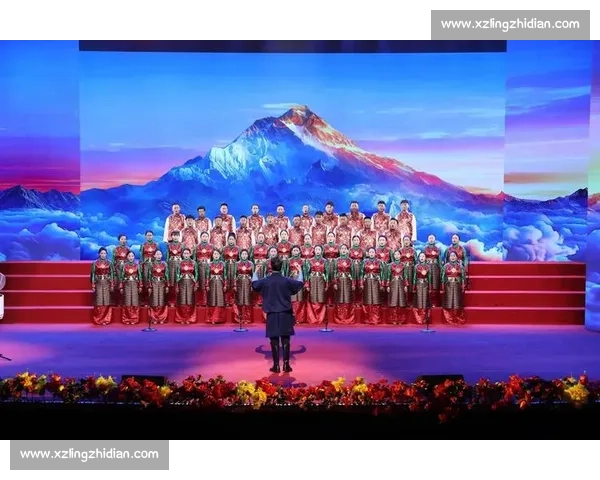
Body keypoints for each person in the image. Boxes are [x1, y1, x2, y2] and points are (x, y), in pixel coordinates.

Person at [252, 255, 304, 374]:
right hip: (285, 313)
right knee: (286, 340)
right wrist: (300, 270)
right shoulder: (286, 280)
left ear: (271, 266)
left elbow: (254, 284)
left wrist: (255, 271)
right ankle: (286, 365)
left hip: (272, 314)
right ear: (281, 266)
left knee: (274, 340)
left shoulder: (266, 281)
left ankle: (276, 365)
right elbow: (300, 283)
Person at [360, 247, 386, 325]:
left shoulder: (379, 262)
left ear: (375, 253)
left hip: (376, 282)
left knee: (376, 299)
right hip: (367, 282)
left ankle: (375, 319)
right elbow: (361, 273)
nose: (371, 254)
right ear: (368, 253)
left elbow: (382, 273)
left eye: (373, 252)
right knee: (367, 299)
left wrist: (382, 284)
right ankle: (367, 319)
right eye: (370, 252)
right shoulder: (364, 261)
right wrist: (361, 283)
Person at [441, 251, 467, 326]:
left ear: (457, 257)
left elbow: (463, 277)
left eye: (454, 256)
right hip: (448, 286)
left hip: (457, 285)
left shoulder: (460, 266)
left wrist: (463, 286)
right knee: (448, 302)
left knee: (457, 302)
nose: (452, 257)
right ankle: (448, 319)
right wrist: (443, 286)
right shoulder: (445, 266)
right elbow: (442, 277)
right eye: (451, 256)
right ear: (449, 257)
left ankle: (457, 319)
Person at [332, 244, 356, 325]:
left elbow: (353, 273)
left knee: (347, 298)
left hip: (348, 281)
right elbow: (334, 272)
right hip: (339, 281)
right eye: (342, 248)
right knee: (339, 299)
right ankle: (339, 318)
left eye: (345, 248)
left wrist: (353, 284)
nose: (343, 250)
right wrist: (335, 283)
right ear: (339, 250)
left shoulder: (350, 261)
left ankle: (348, 318)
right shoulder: (336, 260)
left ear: (347, 250)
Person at [91, 247, 114, 325]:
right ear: (99, 254)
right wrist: (93, 285)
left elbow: (112, 274)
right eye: (101, 253)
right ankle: (98, 319)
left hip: (107, 283)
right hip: (98, 283)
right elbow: (93, 274)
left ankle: (106, 319)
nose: (103, 255)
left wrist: (112, 284)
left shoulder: (109, 263)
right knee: (99, 301)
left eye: (104, 253)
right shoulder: (95, 263)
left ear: (106, 254)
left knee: (106, 300)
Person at [305, 245, 328, 324]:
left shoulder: (325, 261)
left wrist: (326, 285)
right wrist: (307, 284)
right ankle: (313, 318)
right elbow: (307, 273)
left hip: (321, 280)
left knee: (321, 298)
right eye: (316, 249)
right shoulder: (310, 260)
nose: (318, 251)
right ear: (314, 251)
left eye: (319, 249)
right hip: (312, 280)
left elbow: (327, 273)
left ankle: (321, 318)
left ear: (321, 251)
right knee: (313, 298)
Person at [174, 248, 198, 324]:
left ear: (190, 254)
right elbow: (177, 274)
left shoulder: (194, 263)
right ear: (182, 254)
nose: (186, 255)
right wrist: (177, 285)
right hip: (182, 282)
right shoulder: (179, 263)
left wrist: (195, 283)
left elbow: (196, 274)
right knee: (182, 300)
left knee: (190, 300)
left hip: (191, 282)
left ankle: (190, 318)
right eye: (185, 253)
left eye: (187, 253)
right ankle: (182, 318)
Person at [119, 250, 143, 325]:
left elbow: (140, 276)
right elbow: (121, 277)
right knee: (128, 301)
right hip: (127, 285)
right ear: (127, 257)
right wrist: (121, 286)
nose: (131, 257)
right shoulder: (124, 266)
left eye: (132, 256)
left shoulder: (137, 265)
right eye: (129, 256)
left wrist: (140, 286)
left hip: (135, 284)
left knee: (135, 302)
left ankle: (134, 319)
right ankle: (127, 319)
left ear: (134, 257)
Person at [386, 250, 409, 325]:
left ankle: (401, 320)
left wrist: (406, 285)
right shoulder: (390, 265)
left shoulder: (403, 265)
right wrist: (388, 285)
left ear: (400, 255)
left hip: (401, 284)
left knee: (401, 301)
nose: (396, 256)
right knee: (393, 301)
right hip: (393, 284)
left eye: (398, 254)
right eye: (395, 254)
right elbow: (388, 276)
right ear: (393, 256)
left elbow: (405, 276)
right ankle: (393, 319)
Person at [205, 250, 228, 324]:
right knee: (212, 299)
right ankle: (212, 318)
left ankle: (219, 318)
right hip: (212, 282)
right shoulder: (209, 264)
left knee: (219, 300)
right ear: (212, 255)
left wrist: (225, 285)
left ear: (220, 255)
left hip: (220, 282)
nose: (216, 255)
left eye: (217, 254)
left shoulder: (223, 264)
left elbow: (225, 275)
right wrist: (207, 285)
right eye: (215, 254)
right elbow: (207, 275)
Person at [147, 249, 169, 324]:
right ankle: (154, 318)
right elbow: (149, 276)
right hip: (154, 283)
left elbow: (167, 275)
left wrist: (167, 285)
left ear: (162, 255)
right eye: (157, 254)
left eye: (160, 254)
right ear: (154, 255)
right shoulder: (151, 264)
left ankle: (162, 318)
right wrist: (149, 286)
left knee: (161, 301)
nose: (159, 256)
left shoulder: (164, 264)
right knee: (155, 301)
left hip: (162, 283)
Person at [286, 246, 306, 324]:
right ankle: (291, 318)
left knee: (300, 299)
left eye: (297, 250)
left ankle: (299, 318)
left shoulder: (303, 261)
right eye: (294, 250)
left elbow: (305, 273)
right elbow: (286, 272)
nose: (295, 252)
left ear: (299, 252)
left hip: (300, 280)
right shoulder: (288, 261)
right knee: (292, 299)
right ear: (291, 252)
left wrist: (305, 283)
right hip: (291, 280)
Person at [233, 249, 254, 325]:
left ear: (248, 255)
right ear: (240, 255)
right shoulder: (237, 263)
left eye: (245, 254)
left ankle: (247, 318)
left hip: (248, 282)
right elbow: (234, 275)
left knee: (247, 300)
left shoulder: (251, 263)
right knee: (240, 300)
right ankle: (239, 318)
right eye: (243, 254)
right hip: (239, 283)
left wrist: (252, 285)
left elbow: (253, 275)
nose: (244, 255)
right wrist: (235, 285)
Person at [412, 252, 433, 325]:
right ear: (418, 258)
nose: (422, 258)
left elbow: (430, 278)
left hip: (425, 284)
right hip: (418, 284)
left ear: (425, 258)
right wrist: (414, 287)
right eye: (420, 256)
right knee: (419, 300)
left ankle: (425, 318)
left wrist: (430, 288)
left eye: (423, 256)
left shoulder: (428, 267)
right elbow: (414, 278)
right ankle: (419, 318)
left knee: (425, 301)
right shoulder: (416, 266)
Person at [194, 231, 213, 306]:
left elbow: (213, 258)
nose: (205, 238)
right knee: (201, 283)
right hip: (199, 266)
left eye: (206, 236)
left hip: (209, 266)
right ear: (200, 237)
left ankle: (209, 300)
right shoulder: (197, 246)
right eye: (203, 236)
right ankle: (200, 301)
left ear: (208, 237)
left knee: (208, 282)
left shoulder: (211, 246)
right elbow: (194, 259)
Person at [423, 234, 442, 306]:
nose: (431, 240)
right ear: (428, 240)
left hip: (435, 267)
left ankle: (435, 302)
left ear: (434, 240)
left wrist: (441, 269)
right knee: (427, 283)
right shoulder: (425, 249)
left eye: (432, 238)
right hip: (427, 267)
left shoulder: (437, 249)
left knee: (435, 284)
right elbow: (422, 259)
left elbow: (439, 260)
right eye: (430, 238)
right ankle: (427, 301)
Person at [166, 230, 183, 306]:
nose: (175, 237)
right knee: (171, 281)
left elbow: (183, 256)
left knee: (179, 281)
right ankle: (171, 300)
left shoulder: (182, 245)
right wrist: (167, 265)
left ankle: (179, 300)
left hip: (179, 264)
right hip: (171, 264)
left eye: (177, 235)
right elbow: (167, 256)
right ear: (171, 236)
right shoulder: (169, 245)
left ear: (179, 236)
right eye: (174, 235)